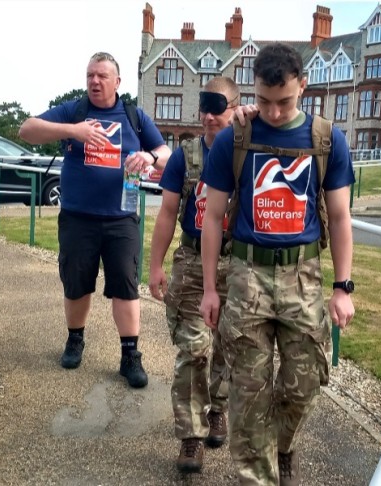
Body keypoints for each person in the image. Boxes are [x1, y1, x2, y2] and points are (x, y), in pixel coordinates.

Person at [198, 42, 355, 485]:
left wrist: (342, 287)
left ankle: (282, 446)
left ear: (303, 86)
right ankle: (258, 473)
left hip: (302, 278)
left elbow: (340, 218)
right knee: (248, 393)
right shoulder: (235, 137)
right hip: (246, 276)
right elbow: (212, 217)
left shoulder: (326, 140)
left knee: (303, 385)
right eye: (263, 101)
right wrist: (210, 289)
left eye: (283, 101)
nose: (273, 111)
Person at [18, 52, 172, 389]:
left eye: (102, 76)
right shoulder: (74, 111)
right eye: (90, 75)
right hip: (78, 218)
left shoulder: (134, 116)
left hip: (121, 218)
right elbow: (26, 130)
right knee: (76, 283)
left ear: (118, 82)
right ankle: (75, 339)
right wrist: (73, 130)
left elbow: (166, 155)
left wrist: (149, 156)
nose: (95, 81)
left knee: (126, 286)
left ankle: (130, 355)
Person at [148, 77, 239, 473]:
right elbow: (168, 212)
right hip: (192, 261)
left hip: (237, 263)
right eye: (204, 108)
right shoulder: (185, 156)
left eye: (217, 108)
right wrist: (155, 266)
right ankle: (191, 435)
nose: (208, 116)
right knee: (193, 349)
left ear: (235, 108)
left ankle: (218, 408)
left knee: (229, 346)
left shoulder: (247, 152)